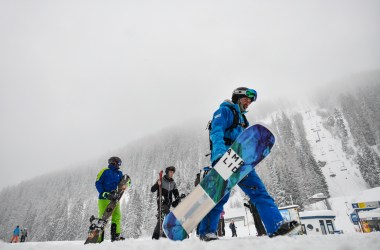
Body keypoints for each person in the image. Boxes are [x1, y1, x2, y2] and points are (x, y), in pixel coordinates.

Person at [198, 87, 298, 241]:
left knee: (259, 191)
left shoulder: (244, 121)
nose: (249, 102)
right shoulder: (224, 111)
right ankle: (207, 232)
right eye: (247, 98)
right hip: (226, 157)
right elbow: (216, 132)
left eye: (251, 100)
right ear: (238, 96)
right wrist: (219, 155)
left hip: (242, 161)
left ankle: (276, 226)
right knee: (220, 196)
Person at [95, 156, 126, 242]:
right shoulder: (105, 171)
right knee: (103, 218)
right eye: (118, 163)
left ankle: (115, 236)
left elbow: (122, 183)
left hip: (114, 198)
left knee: (117, 216)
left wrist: (127, 182)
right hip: (104, 198)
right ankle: (98, 239)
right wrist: (103, 193)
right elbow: (98, 183)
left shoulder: (119, 173)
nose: (119, 165)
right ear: (113, 162)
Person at [151, 166, 180, 240]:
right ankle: (164, 234)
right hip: (161, 202)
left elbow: (176, 194)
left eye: (173, 172)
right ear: (167, 172)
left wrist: (177, 200)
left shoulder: (173, 183)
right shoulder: (161, 180)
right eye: (170, 172)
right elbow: (152, 189)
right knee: (166, 216)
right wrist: (157, 184)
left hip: (168, 204)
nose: (172, 173)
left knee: (162, 218)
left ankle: (156, 236)